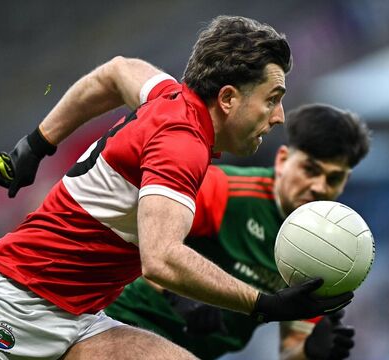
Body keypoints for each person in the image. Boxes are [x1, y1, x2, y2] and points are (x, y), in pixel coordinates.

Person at [0, 16, 352, 360]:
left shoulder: (167, 95)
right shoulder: (183, 146)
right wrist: (263, 304)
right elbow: (161, 260)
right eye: (272, 98)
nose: (278, 117)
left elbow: (116, 72)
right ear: (227, 99)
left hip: (81, 319)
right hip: (12, 297)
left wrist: (36, 143)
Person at [104, 103, 371, 360]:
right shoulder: (225, 192)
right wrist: (178, 294)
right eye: (310, 170)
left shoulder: (326, 250)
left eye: (333, 178)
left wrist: (313, 351)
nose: (319, 187)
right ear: (282, 160)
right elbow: (136, 231)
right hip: (125, 323)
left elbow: (291, 349)